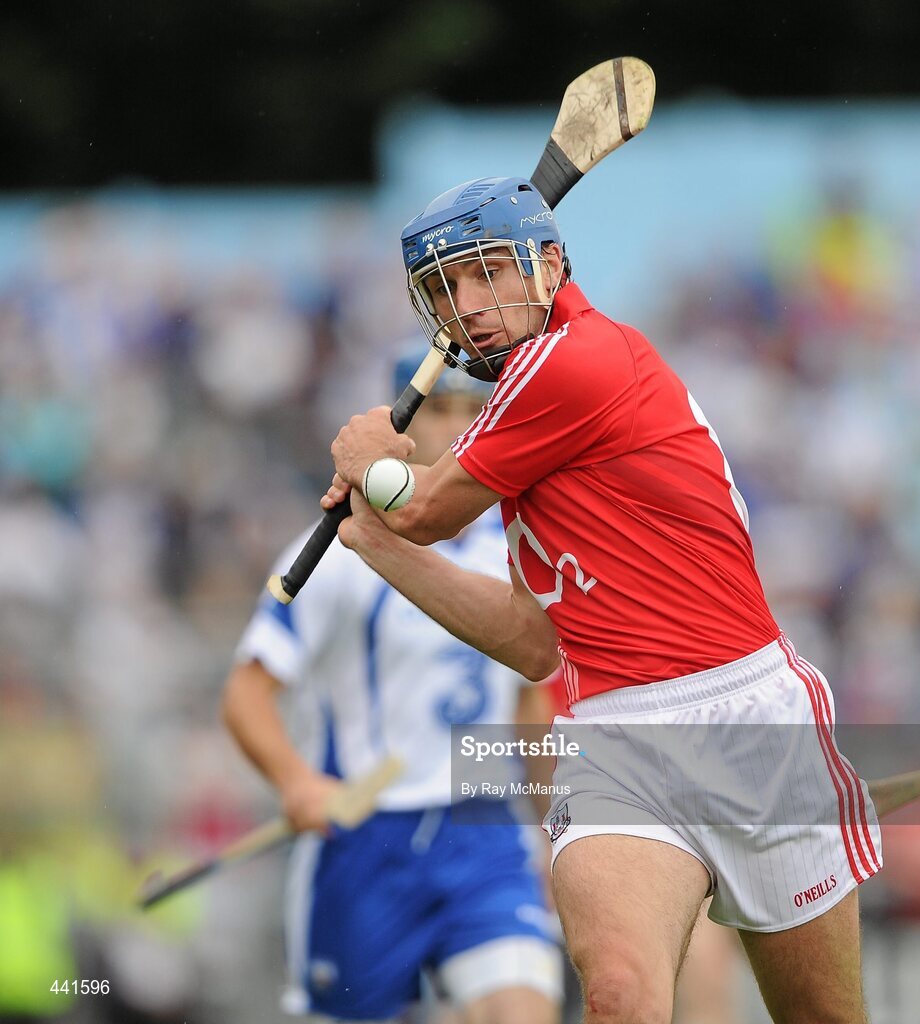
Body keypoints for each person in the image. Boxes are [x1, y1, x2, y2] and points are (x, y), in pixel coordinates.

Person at [320, 176, 883, 1024]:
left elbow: (429, 508)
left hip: (746, 715)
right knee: (619, 995)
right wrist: (372, 539)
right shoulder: (517, 408)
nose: (464, 305)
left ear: (548, 267)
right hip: (611, 737)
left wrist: (372, 461)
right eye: (442, 288)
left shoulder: (579, 359)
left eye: (485, 275)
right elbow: (533, 640)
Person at [222, 353, 562, 1024]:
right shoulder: (336, 547)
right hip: (364, 840)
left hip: (483, 828)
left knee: (521, 1012)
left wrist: (554, 827)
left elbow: (528, 697)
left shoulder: (519, 544)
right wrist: (294, 781)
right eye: (441, 409)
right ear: (399, 426)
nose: (461, 428)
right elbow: (246, 691)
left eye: (476, 409)